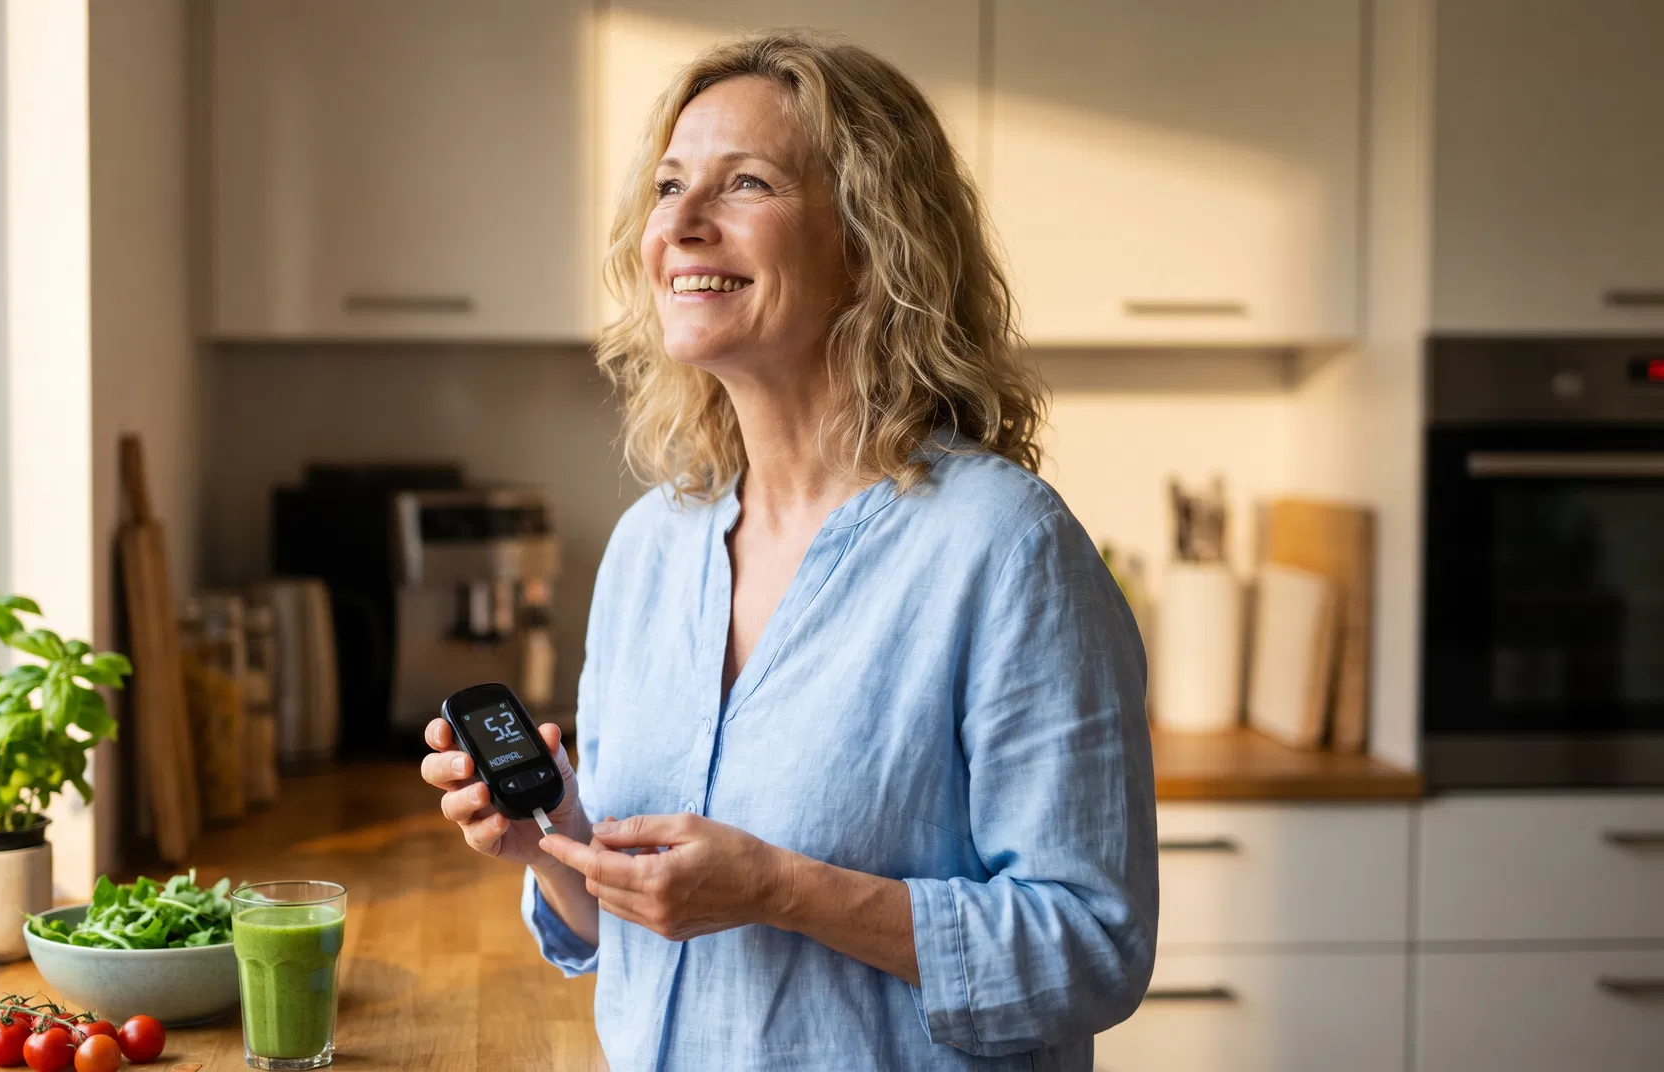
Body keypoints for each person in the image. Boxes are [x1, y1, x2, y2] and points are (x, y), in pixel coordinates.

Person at [422, 30, 1157, 1070]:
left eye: (746, 183)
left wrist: (782, 887)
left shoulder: (1005, 547)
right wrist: (550, 843)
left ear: (871, 242)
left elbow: (1094, 949)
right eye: (670, 186)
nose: (678, 222)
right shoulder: (649, 549)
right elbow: (637, 939)